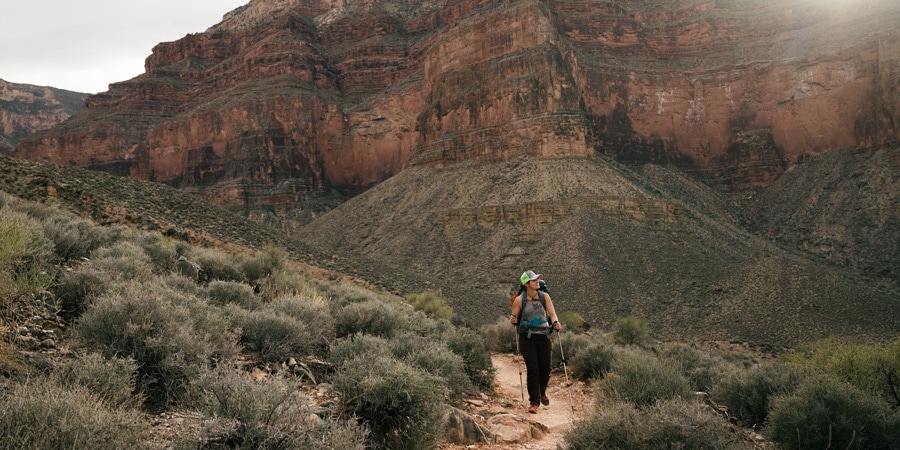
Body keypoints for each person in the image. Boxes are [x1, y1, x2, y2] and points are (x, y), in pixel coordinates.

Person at [510, 270, 561, 413]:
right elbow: (514, 317)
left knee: (546, 369)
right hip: (527, 338)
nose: (537, 281)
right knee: (533, 369)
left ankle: (542, 392)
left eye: (538, 279)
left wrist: (556, 322)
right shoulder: (520, 300)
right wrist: (513, 319)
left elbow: (552, 313)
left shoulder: (545, 297)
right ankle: (534, 402)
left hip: (544, 336)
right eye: (534, 280)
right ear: (526, 284)